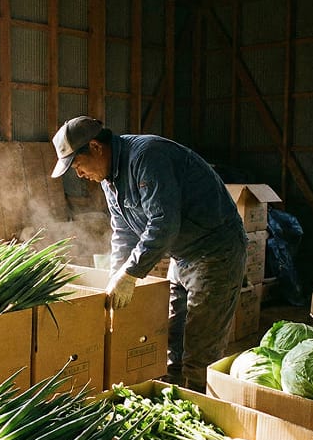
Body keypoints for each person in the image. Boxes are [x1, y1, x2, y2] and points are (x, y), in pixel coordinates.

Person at [50, 116, 247, 392]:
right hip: (182, 254)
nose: (79, 175)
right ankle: (173, 401)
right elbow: (123, 232)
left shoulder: (147, 157)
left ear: (95, 147)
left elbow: (163, 224)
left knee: (200, 348)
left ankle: (201, 412)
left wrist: (131, 274)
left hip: (215, 250)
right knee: (172, 340)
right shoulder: (110, 180)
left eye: (78, 166)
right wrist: (115, 278)